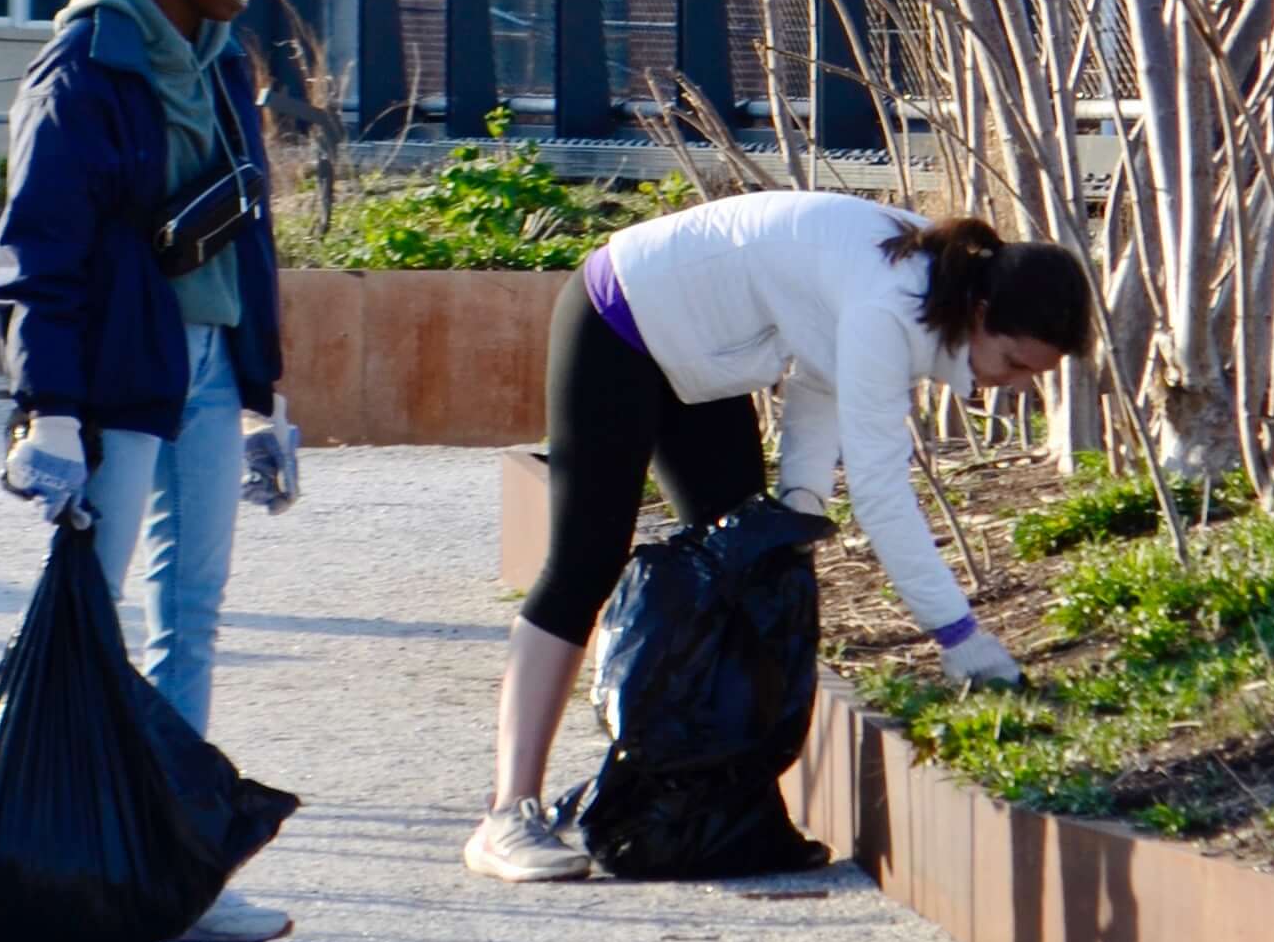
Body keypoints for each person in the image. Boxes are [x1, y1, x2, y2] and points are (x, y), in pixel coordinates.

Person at [465, 186, 1094, 883]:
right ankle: (504, 815)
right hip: (621, 317)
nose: (1011, 386)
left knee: (752, 566)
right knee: (586, 559)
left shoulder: (936, 285)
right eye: (1014, 364)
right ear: (980, 313)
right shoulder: (897, 303)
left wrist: (796, 507)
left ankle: (720, 814)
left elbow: (821, 372)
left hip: (700, 356)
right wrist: (959, 637)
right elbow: (883, 496)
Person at [0, 0, 298, 942]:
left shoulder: (220, 63)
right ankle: (67, 858)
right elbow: (37, 251)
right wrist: (51, 408)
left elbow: (249, 238)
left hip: (210, 368)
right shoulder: (86, 68)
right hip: (118, 376)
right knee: (90, 619)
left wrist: (264, 397)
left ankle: (178, 867)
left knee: (193, 614)